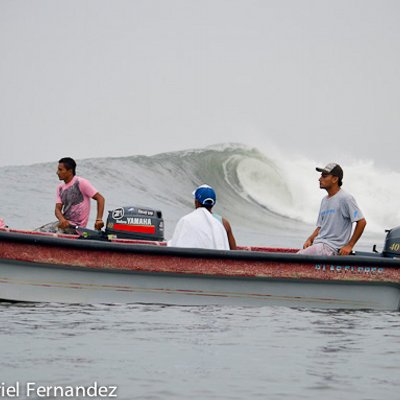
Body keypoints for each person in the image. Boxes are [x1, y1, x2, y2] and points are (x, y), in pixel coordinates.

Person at [298, 163, 366, 256]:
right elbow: (321, 227)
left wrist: (349, 246)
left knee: (297, 257)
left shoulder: (345, 198)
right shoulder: (324, 200)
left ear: (335, 179)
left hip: (331, 248)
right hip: (319, 245)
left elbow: (361, 222)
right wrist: (310, 239)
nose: (319, 179)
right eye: (321, 176)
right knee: (300, 255)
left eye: (324, 176)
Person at [168, 184, 237, 250]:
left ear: (196, 202)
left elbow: (177, 244)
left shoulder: (186, 220)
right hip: (215, 261)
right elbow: (233, 251)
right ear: (214, 203)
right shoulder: (224, 223)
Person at [51, 157, 105, 234]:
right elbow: (57, 209)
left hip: (77, 229)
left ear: (69, 171)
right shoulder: (60, 188)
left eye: (60, 170)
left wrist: (98, 220)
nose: (57, 172)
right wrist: (62, 220)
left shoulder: (81, 182)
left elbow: (100, 199)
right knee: (40, 231)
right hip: (65, 225)